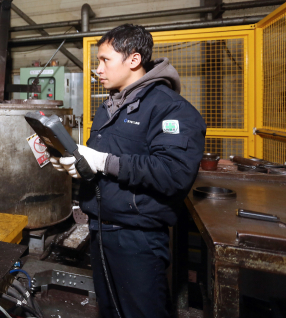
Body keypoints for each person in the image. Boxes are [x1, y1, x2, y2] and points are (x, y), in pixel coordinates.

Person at [50, 24, 206, 318]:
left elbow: (173, 173)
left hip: (137, 238)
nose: (98, 69)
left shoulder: (171, 109)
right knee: (109, 311)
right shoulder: (110, 107)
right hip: (100, 230)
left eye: (105, 60)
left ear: (134, 60)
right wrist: (82, 167)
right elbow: (107, 164)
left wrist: (101, 161)